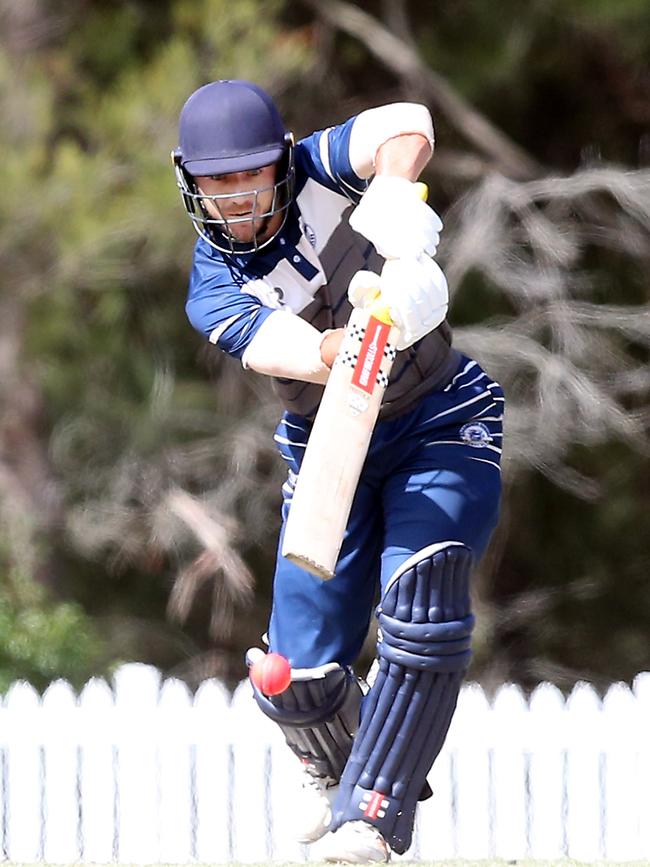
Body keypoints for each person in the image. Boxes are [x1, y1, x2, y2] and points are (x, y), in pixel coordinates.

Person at [174, 79, 504, 863]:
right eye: (219, 183)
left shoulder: (316, 170)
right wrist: (367, 333)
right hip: (328, 436)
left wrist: (393, 195)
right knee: (292, 675)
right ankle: (333, 765)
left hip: (440, 417)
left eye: (251, 175)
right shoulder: (212, 287)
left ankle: (373, 812)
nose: (239, 197)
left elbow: (405, 122)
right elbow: (288, 349)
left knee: (424, 596)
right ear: (192, 183)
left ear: (278, 162)